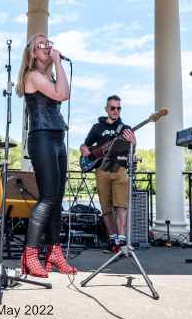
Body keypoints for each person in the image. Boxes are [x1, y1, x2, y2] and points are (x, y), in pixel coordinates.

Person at [15, 34, 76, 277]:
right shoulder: (32, 76)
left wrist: (56, 65)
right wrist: (59, 61)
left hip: (57, 138)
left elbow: (62, 90)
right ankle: (30, 254)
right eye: (40, 43)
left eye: (48, 41)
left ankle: (54, 252)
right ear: (31, 53)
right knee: (48, 198)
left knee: (57, 200)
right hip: (41, 138)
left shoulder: (49, 75)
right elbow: (63, 94)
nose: (47, 45)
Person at [80, 95, 136, 253]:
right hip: (102, 169)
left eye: (118, 108)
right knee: (106, 208)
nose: (116, 111)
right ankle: (112, 240)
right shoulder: (97, 127)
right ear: (106, 109)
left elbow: (131, 153)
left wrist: (134, 143)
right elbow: (85, 145)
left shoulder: (126, 128)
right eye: (112, 108)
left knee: (121, 206)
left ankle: (122, 240)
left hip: (120, 169)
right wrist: (86, 152)